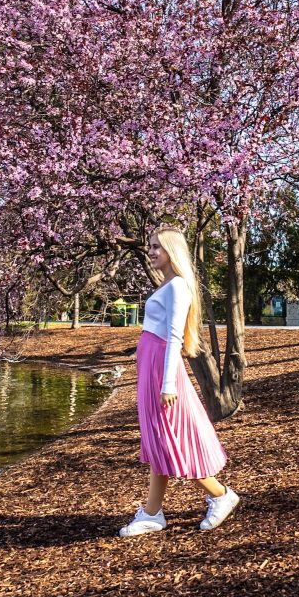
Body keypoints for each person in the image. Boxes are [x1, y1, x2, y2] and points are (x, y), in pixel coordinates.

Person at [120, 225, 239, 537]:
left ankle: (220, 495)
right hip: (152, 366)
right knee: (159, 440)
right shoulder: (168, 284)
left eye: (157, 246)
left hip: (162, 369)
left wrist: (168, 383)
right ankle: (152, 512)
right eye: (149, 245)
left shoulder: (178, 287)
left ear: (172, 251)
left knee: (170, 438)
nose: (151, 251)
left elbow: (173, 336)